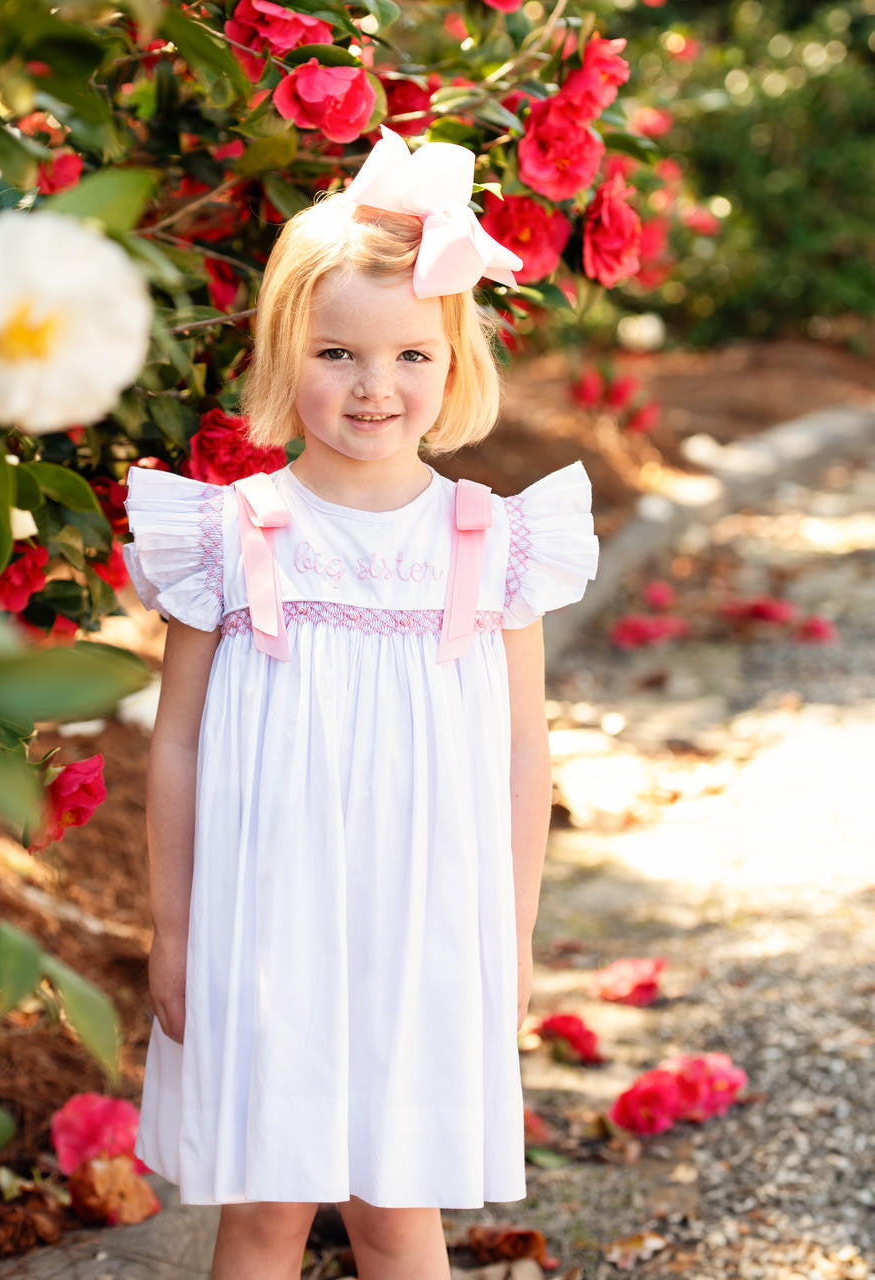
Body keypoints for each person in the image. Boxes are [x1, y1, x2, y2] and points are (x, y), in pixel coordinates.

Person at [122, 127, 599, 1280]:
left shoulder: (492, 539)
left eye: (410, 357)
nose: (375, 386)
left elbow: (521, 753)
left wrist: (513, 934)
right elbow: (176, 741)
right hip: (264, 922)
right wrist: (175, 928)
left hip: (425, 928)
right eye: (337, 352)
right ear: (286, 355)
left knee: (397, 1213)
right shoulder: (231, 536)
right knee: (266, 1212)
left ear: (453, 364)